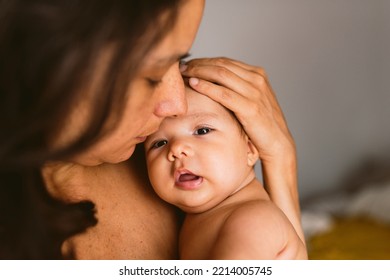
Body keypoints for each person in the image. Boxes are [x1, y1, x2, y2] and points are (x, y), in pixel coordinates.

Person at [0, 0, 305, 259]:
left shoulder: (181, 177)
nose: (176, 104)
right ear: (52, 65)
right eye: (151, 74)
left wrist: (280, 160)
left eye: (180, 59)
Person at [144, 85, 307, 259]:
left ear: (249, 149)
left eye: (202, 131)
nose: (176, 149)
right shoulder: (211, 217)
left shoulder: (252, 220)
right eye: (159, 143)